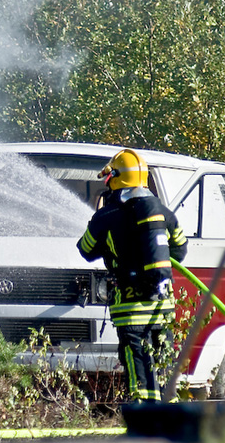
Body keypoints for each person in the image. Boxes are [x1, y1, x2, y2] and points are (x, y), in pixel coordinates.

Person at [76, 148, 187, 403]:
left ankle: (144, 416)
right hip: (162, 305)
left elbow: (86, 249)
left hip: (129, 306)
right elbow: (180, 248)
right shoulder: (162, 213)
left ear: (115, 177)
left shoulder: (106, 217)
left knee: (137, 361)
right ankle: (168, 415)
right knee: (163, 360)